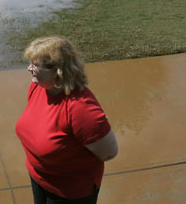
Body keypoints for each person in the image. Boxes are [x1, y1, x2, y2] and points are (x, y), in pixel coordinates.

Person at [15, 36, 118, 204]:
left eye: (35, 64)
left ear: (56, 70)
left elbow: (109, 152)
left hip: (69, 192)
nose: (29, 68)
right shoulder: (38, 87)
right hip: (38, 178)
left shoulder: (81, 108)